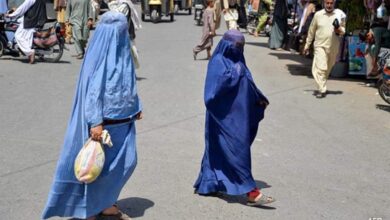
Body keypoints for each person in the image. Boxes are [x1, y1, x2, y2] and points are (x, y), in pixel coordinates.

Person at [42, 11, 142, 220]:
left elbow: (129, 82)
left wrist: (136, 107)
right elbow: (93, 91)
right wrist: (95, 122)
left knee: (126, 162)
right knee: (96, 168)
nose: (122, 33)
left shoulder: (123, 51)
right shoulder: (101, 56)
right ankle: (89, 209)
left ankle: (105, 203)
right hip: (106, 124)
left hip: (126, 119)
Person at [194, 29, 275, 206]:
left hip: (239, 118)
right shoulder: (217, 62)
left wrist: (259, 99)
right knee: (238, 152)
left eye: (241, 46)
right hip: (222, 118)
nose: (238, 49)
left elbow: (249, 84)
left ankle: (209, 184)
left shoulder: (239, 61)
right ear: (227, 45)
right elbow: (211, 94)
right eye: (236, 45)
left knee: (216, 150)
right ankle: (251, 192)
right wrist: (233, 76)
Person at [303, 0, 346, 98]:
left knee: (327, 68)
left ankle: (322, 84)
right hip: (320, 46)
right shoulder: (318, 15)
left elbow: (343, 31)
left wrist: (338, 29)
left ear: (334, 3)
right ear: (324, 3)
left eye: (331, 3)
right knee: (321, 68)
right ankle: (322, 89)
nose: (329, 5)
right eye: (327, 3)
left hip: (333, 47)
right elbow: (311, 31)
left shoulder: (339, 14)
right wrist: (307, 45)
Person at [366, 0, 390, 77]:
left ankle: (375, 68)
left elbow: (377, 44)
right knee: (369, 47)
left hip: (386, 44)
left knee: (372, 48)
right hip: (382, 40)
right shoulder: (374, 28)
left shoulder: (377, 30)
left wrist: (374, 60)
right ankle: (374, 68)